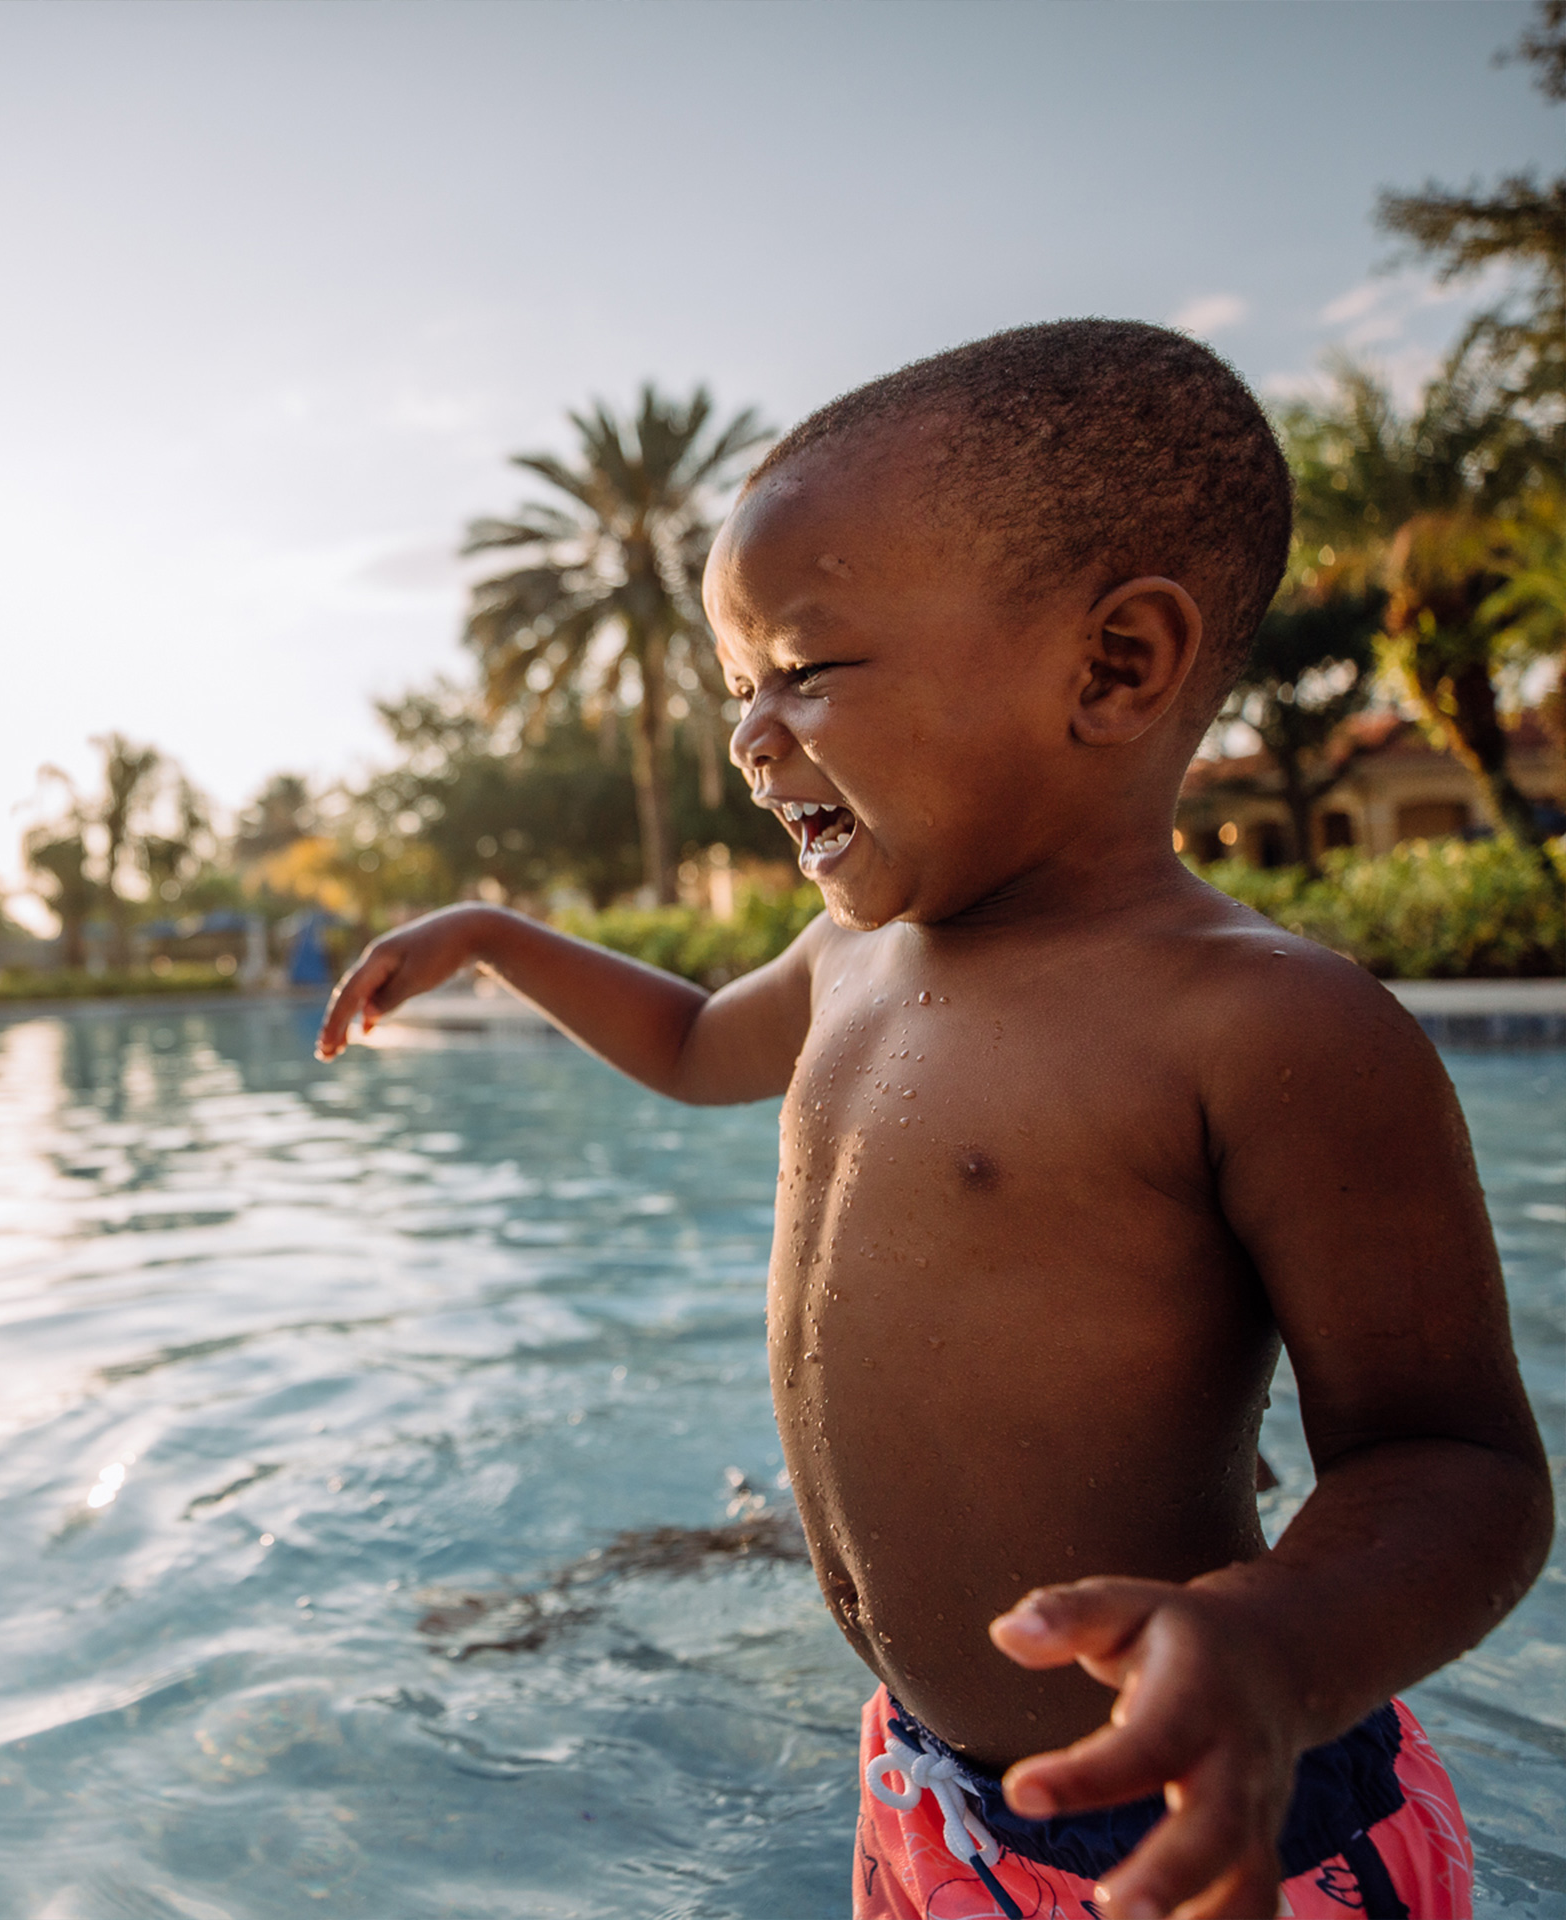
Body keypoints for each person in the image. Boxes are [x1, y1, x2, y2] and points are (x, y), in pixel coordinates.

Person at [317, 320, 1549, 1920]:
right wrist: (497, 933)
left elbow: (1452, 1459)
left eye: (808, 672)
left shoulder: (1258, 1023)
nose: (753, 738)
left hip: (1209, 1815)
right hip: (933, 1784)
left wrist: (1276, 1645)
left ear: (1115, 666)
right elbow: (695, 1045)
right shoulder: (850, 955)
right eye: (740, 686)